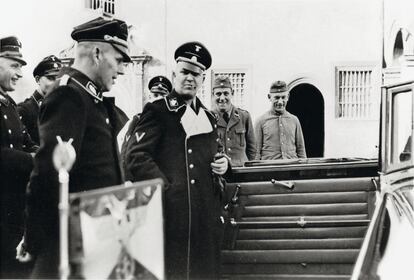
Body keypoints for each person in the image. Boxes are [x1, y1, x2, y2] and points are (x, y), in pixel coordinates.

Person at [16, 17, 130, 278]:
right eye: (120, 60)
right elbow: (48, 174)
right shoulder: (69, 95)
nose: (122, 70)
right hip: (70, 242)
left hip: (93, 238)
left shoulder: (90, 97)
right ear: (98, 53)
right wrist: (33, 239)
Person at [123, 41, 230, 279]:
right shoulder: (158, 111)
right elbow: (135, 156)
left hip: (204, 214)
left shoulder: (209, 118)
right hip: (172, 216)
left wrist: (224, 164)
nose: (190, 78)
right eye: (185, 72)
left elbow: (217, 153)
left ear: (203, 80)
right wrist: (167, 189)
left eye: (197, 74)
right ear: (174, 74)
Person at [0, 36, 38, 278]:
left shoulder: (8, 105)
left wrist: (39, 152)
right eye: (15, 65)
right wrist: (38, 161)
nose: (19, 73)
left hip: (14, 209)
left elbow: (26, 142)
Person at [255, 80, 306, 160]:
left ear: (288, 97)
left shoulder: (294, 120)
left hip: (291, 168)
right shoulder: (261, 121)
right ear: (269, 97)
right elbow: (256, 152)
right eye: (277, 97)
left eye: (283, 97)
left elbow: (301, 150)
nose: (280, 102)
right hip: (269, 169)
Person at [17, 55, 62, 144]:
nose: (56, 83)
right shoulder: (24, 110)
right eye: (51, 78)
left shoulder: (62, 107)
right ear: (38, 80)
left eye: (58, 78)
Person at [212, 75, 256, 166]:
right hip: (220, 173)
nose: (222, 98)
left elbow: (252, 149)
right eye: (218, 94)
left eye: (226, 93)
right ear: (213, 95)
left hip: (241, 171)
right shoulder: (209, 118)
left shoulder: (244, 116)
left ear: (232, 93)